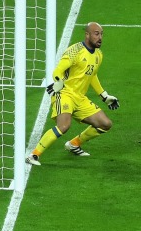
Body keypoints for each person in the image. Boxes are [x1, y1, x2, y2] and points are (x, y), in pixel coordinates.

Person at [25, 22, 119, 166]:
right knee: (64, 126)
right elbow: (58, 71)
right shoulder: (75, 51)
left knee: (105, 124)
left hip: (80, 98)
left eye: (101, 34)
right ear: (87, 34)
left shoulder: (98, 55)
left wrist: (104, 96)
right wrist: (58, 82)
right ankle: (33, 155)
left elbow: (92, 75)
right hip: (64, 93)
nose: (100, 37)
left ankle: (74, 144)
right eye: (96, 34)